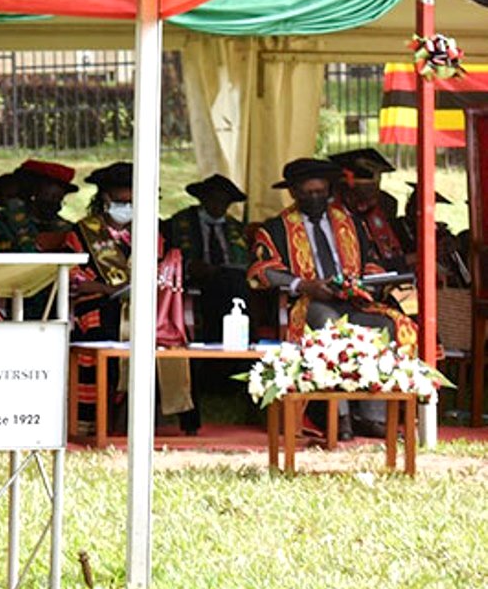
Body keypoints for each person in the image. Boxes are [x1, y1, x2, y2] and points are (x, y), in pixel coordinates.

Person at [248, 158, 418, 439]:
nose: (315, 199)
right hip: (309, 303)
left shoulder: (350, 223)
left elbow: (372, 262)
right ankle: (337, 416)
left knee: (387, 325)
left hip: (353, 300)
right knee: (329, 323)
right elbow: (260, 271)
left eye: (321, 193)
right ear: (293, 192)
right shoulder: (276, 229)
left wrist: (367, 284)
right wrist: (305, 284)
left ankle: (370, 416)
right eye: (308, 193)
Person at [63, 162, 199, 435]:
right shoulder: (83, 232)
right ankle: (100, 419)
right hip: (98, 304)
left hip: (150, 308)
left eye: (133, 201)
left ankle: (169, 418)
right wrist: (110, 290)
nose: (127, 206)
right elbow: (73, 278)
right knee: (106, 324)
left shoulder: (155, 231)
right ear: (105, 198)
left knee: (172, 336)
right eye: (121, 201)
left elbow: (169, 270)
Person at [166, 174, 251, 342]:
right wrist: (190, 266)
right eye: (214, 199)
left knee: (233, 283)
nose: (218, 205)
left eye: (223, 201)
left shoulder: (235, 227)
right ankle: (213, 343)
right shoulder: (179, 223)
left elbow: (244, 259)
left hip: (231, 280)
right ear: (203, 199)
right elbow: (170, 256)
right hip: (194, 279)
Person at [330, 149, 407, 273]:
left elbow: (388, 254)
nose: (369, 204)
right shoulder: (330, 219)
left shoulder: (377, 212)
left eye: (373, 196)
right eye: (361, 197)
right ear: (344, 192)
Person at [14, 159, 78, 251]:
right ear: (35, 191)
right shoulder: (11, 221)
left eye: (59, 198)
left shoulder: (66, 229)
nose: (55, 202)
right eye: (51, 196)